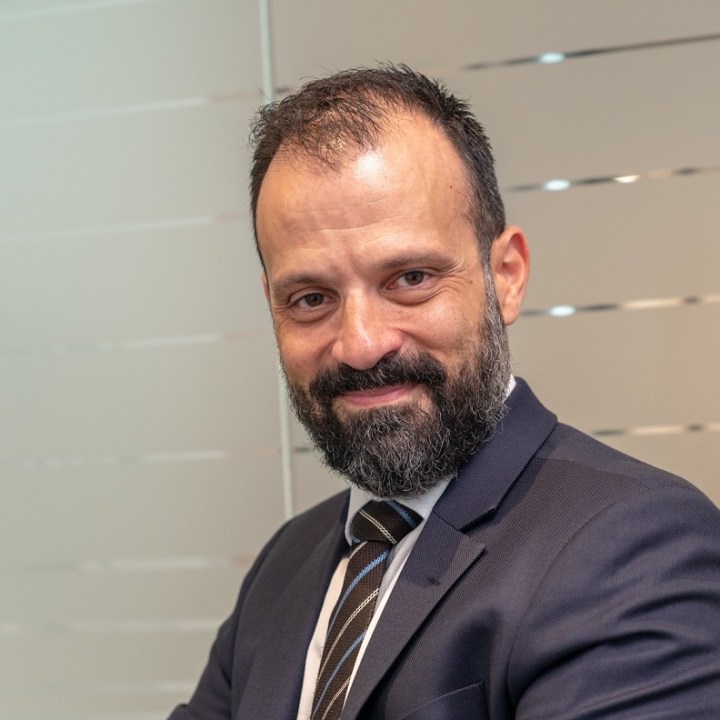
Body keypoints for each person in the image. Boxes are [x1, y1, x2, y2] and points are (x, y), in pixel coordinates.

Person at [168, 65, 720, 720]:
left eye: (410, 278)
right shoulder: (286, 564)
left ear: (505, 276)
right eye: (311, 298)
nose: (361, 344)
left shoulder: (635, 545)